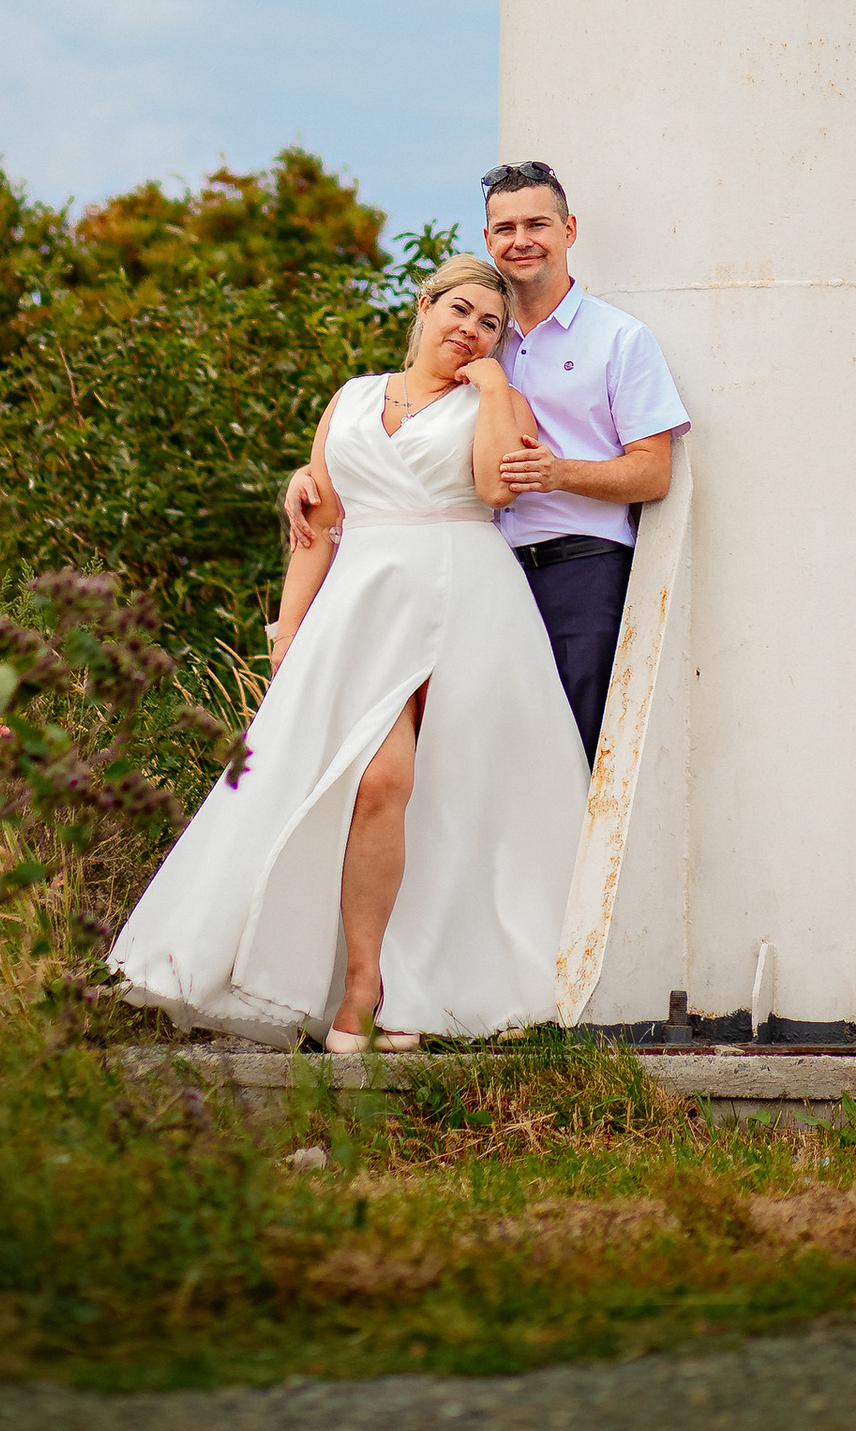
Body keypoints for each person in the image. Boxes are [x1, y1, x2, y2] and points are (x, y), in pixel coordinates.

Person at [108, 255, 589, 1048]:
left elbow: (499, 488)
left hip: (465, 600)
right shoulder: (354, 397)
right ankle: (355, 980)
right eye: (459, 312)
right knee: (377, 782)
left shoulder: (499, 399)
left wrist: (498, 388)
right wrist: (289, 634)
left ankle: (390, 991)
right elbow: (318, 526)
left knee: (448, 796)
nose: (469, 332)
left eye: (490, 326)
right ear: (426, 306)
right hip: (361, 609)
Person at [477, 162, 690, 763]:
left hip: (584, 573)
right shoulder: (480, 338)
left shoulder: (622, 339)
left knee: (580, 755)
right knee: (493, 762)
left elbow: (653, 472)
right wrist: (317, 474)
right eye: (505, 227)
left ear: (569, 230)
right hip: (488, 575)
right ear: (487, 240)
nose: (521, 240)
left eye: (537, 224)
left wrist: (558, 472)